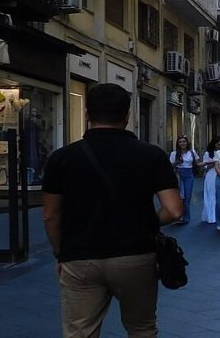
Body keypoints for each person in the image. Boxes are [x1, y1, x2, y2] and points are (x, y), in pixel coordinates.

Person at [42, 82, 183, 338]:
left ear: (87, 114)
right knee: (142, 329)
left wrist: (61, 253)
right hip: (136, 256)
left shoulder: (62, 158)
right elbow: (174, 210)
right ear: (127, 116)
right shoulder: (151, 155)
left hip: (80, 257)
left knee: (79, 332)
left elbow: (51, 215)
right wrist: (146, 223)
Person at [168, 136, 198, 225]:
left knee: (187, 198)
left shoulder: (192, 152)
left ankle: (186, 218)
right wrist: (177, 163)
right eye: (180, 142)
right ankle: (178, 216)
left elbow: (197, 163)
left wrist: (209, 163)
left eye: (184, 141)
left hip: (189, 175)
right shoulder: (174, 153)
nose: (182, 143)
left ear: (187, 142)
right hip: (178, 175)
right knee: (179, 197)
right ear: (178, 144)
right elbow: (169, 166)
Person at [200, 139, 219, 225]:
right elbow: (205, 166)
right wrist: (213, 163)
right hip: (211, 174)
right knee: (211, 194)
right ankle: (212, 216)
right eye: (218, 143)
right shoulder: (208, 153)